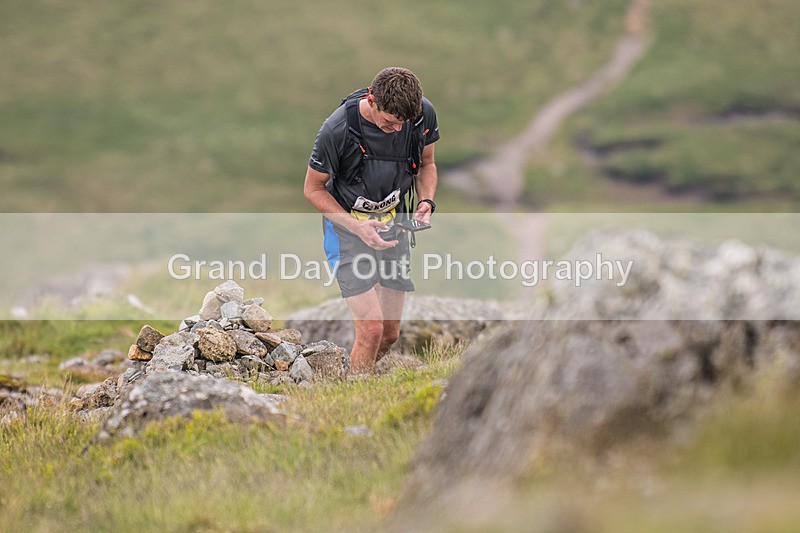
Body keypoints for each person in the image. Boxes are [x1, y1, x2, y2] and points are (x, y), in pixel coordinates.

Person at [303, 67, 440, 373]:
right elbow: (312, 189)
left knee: (390, 335)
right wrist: (357, 227)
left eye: (402, 124)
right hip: (348, 230)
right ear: (372, 100)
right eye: (389, 122)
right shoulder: (336, 130)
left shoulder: (421, 116)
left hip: (395, 225)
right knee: (372, 330)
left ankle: (355, 375)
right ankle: (354, 398)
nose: (396, 130)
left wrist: (426, 200)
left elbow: (427, 164)